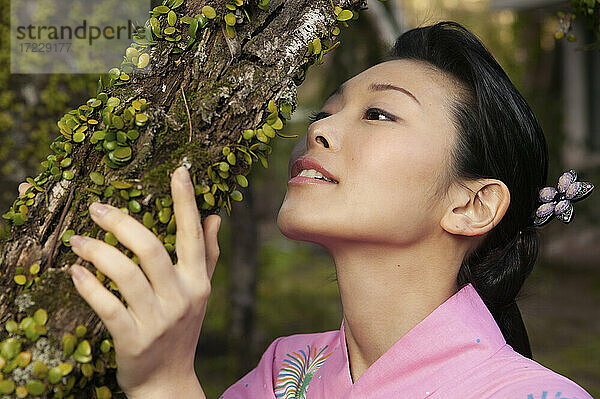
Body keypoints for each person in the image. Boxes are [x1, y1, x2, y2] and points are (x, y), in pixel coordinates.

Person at [18, 21, 595, 398]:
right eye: (325, 110)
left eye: (379, 115)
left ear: (472, 203)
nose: (319, 128)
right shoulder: (284, 370)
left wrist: (167, 383)